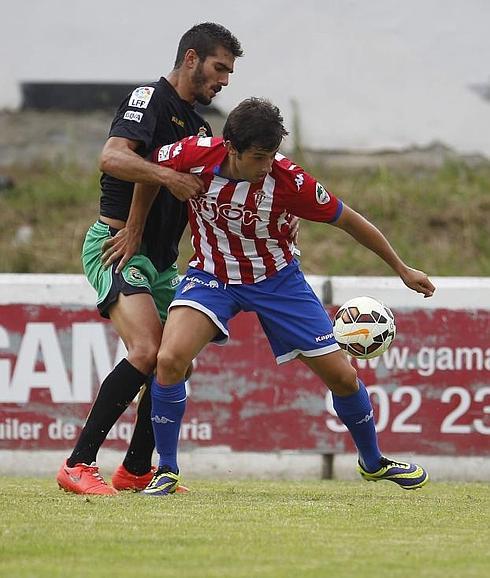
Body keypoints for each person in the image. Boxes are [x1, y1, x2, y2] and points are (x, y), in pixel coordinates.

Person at [129, 97, 435, 496]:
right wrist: (136, 225)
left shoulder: (290, 182)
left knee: (343, 377)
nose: (267, 165)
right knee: (169, 360)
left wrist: (402, 268)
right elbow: (148, 169)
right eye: (258, 157)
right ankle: (166, 470)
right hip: (212, 276)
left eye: (272, 155)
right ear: (232, 149)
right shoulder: (194, 154)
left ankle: (373, 463)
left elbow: (350, 221)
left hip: (279, 282)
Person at [56, 22, 244, 495]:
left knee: (175, 361)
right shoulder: (148, 99)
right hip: (118, 246)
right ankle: (78, 464)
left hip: (159, 262)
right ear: (190, 59)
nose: (223, 81)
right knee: (144, 352)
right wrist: (165, 182)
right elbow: (112, 157)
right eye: (219, 68)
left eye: (229, 73)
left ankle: (137, 469)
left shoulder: (199, 128)